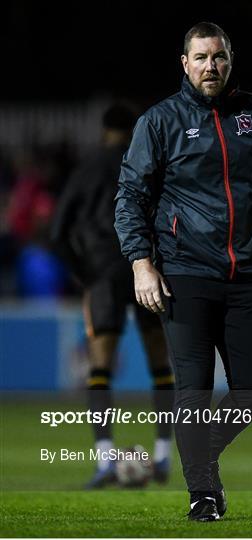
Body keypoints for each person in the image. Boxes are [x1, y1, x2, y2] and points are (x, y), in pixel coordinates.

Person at [114, 22, 252, 521]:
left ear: (230, 59)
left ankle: (199, 458)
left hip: (244, 276)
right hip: (184, 275)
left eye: (218, 57)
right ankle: (203, 492)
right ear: (184, 63)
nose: (210, 67)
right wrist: (141, 265)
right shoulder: (159, 122)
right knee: (193, 392)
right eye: (200, 58)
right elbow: (130, 198)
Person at [50, 104, 175, 488]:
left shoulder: (86, 168)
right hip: (145, 268)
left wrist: (84, 274)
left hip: (102, 272)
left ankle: (105, 460)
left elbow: (57, 232)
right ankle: (163, 456)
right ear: (133, 130)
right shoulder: (147, 163)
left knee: (100, 367)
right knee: (161, 364)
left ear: (104, 130)